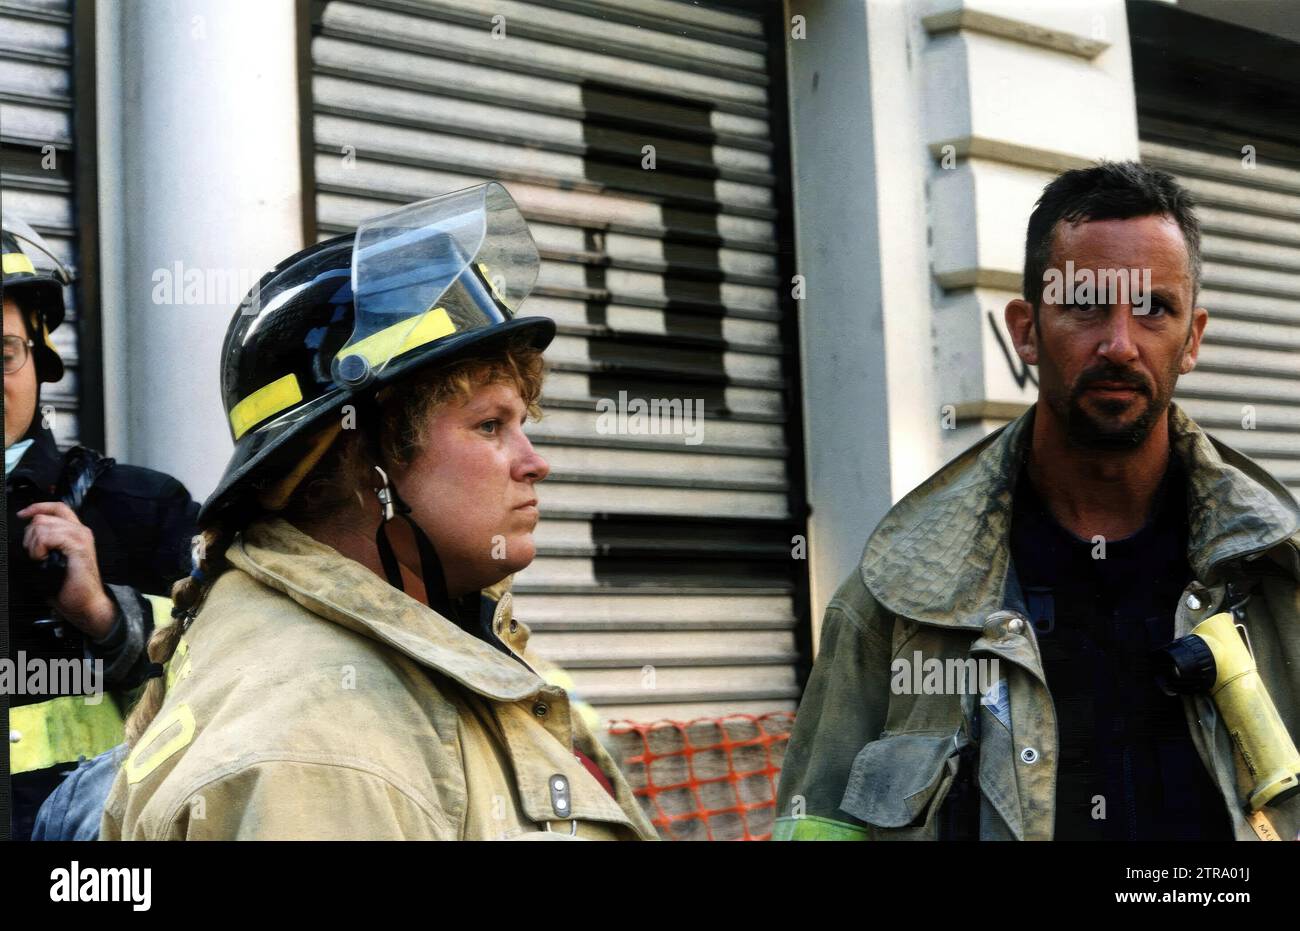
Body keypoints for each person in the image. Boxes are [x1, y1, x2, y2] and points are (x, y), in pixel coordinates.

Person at [100, 183, 657, 840]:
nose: (534, 462)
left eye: (521, 423)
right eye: (488, 425)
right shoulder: (325, 755)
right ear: (363, 460)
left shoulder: (411, 656)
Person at [774, 161, 1300, 841]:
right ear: (1025, 328)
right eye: (1085, 303)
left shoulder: (1279, 577)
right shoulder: (897, 599)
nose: (1119, 344)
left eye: (1153, 309)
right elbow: (815, 825)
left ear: (1192, 337)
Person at [3, 215, 198, 840]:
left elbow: (237, 682)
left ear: (39, 358)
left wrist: (108, 618)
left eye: (2, 354)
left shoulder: (138, 509)